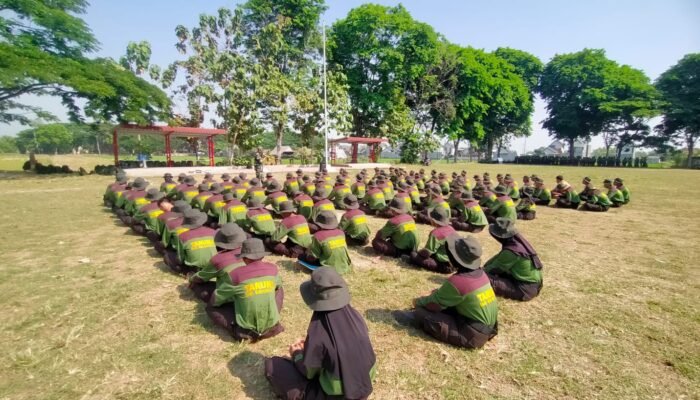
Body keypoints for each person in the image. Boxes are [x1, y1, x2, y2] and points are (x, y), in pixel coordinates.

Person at [265, 267, 376, 400]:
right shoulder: (356, 318)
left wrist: (297, 354)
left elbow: (309, 373)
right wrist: (310, 349)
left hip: (334, 395)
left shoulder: (318, 333)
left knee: (272, 365)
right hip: (364, 388)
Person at [401, 235, 498, 349]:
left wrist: (417, 302)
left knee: (421, 313)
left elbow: (433, 303)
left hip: (472, 334)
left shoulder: (458, 281)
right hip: (487, 328)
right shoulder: (481, 274)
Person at [206, 238, 285, 341]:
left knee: (210, 308)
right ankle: (271, 320)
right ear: (263, 255)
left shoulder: (235, 275)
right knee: (279, 288)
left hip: (246, 332)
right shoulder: (273, 269)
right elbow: (278, 285)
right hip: (272, 328)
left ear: (244, 258)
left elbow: (216, 299)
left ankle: (237, 330)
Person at [484, 218, 543, 301]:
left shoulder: (512, 251)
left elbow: (494, 268)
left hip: (523, 289)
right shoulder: (517, 245)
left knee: (483, 279)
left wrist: (480, 272)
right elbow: (496, 260)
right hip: (530, 285)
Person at [187, 223, 247, 302]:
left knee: (199, 287)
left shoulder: (218, 259)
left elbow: (201, 278)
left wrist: (191, 278)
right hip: (249, 294)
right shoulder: (249, 253)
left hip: (230, 297)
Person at [164, 209, 217, 274]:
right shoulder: (212, 232)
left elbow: (180, 259)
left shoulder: (182, 236)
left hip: (194, 269)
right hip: (213, 266)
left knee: (168, 256)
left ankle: (188, 272)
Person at [409, 207, 457, 273]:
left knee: (413, 255)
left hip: (445, 265)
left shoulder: (436, 233)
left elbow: (427, 253)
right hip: (455, 263)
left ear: (434, 221)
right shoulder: (451, 229)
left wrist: (418, 253)